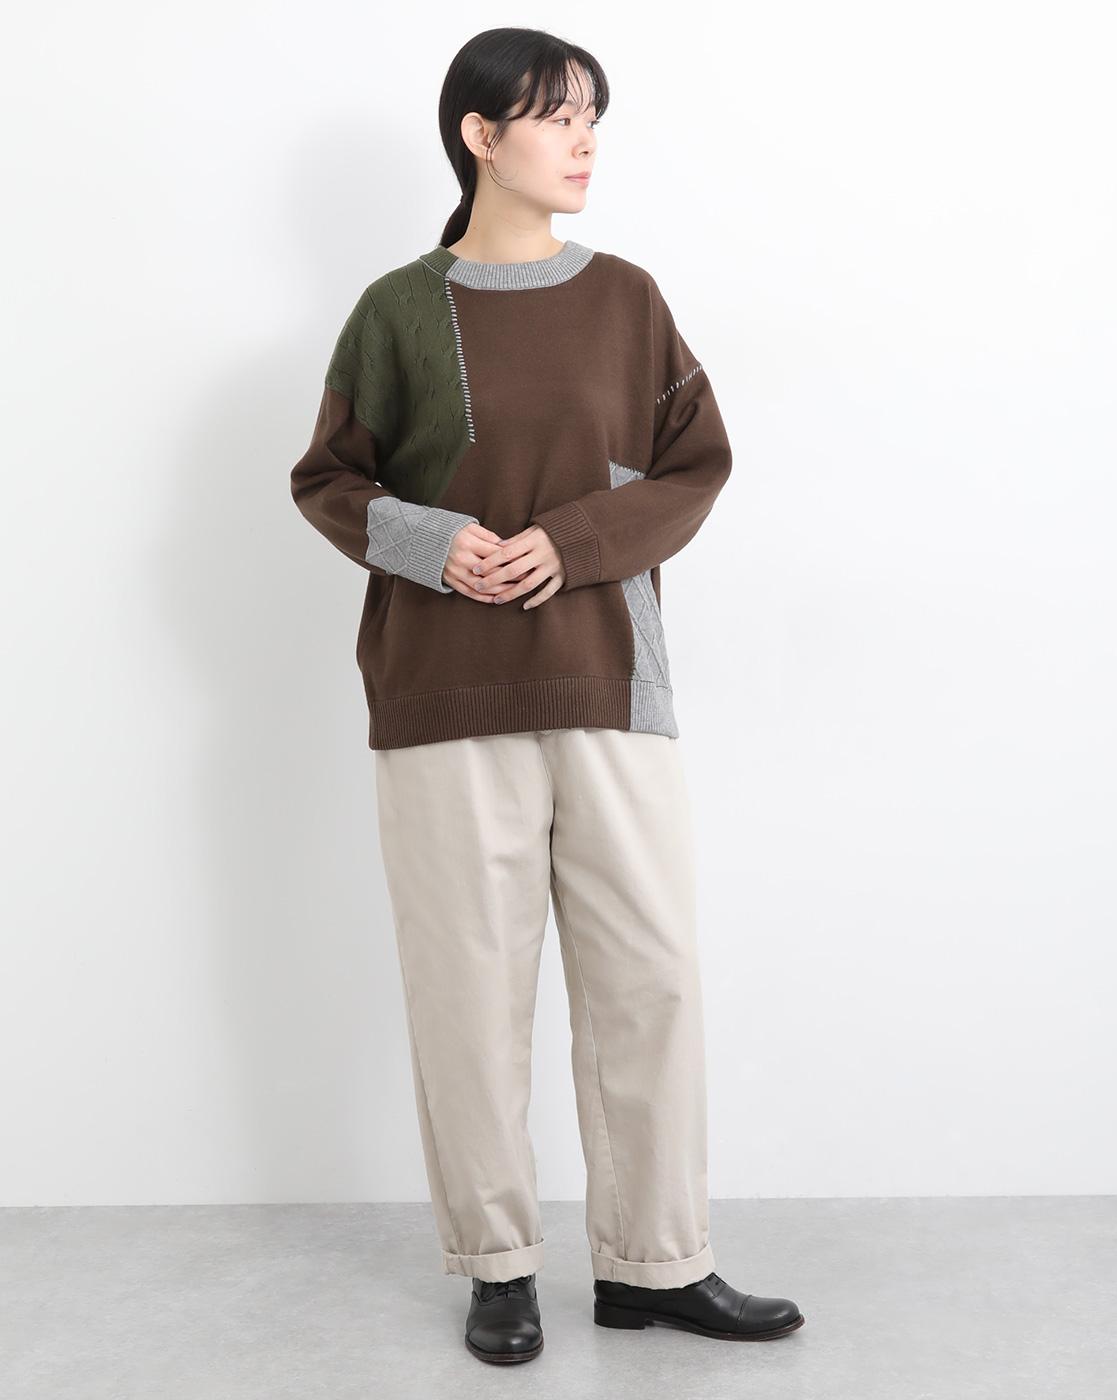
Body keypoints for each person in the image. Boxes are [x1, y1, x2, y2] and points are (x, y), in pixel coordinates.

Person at [289, 26, 805, 1366]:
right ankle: (498, 1268)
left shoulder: (627, 299)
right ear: (481, 135)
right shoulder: (398, 309)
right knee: (468, 988)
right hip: (443, 691)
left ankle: (653, 1264)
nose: (584, 143)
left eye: (593, 119)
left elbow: (696, 465)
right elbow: (327, 479)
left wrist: (569, 544)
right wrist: (430, 540)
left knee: (651, 977)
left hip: (610, 683)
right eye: (558, 117)